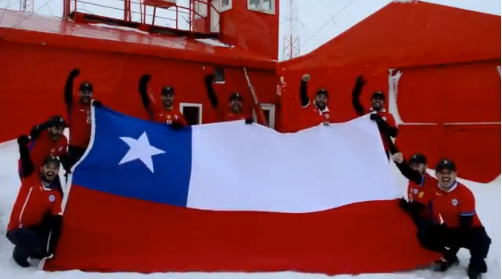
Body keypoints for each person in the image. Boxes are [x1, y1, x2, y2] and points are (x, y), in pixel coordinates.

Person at [418, 159, 491, 279]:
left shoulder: (465, 193)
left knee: (482, 242)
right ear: (436, 175)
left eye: (449, 173)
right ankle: (449, 257)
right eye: (442, 173)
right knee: (424, 234)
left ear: (455, 174)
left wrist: (452, 247)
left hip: (470, 229)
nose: (445, 176)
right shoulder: (433, 189)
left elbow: (465, 226)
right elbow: (414, 178)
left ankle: (475, 264)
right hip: (449, 227)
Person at [6, 135, 63, 268]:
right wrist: (23, 147)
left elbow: (55, 219)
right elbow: (26, 161)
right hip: (17, 229)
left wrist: (51, 248)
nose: (51, 171)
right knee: (33, 240)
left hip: (34, 229)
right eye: (48, 167)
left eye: (54, 168)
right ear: (42, 168)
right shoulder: (31, 179)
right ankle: (18, 254)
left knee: (55, 224)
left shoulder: (55, 193)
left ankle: (39, 250)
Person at [351, 76, 397, 158]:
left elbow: (394, 133)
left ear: (383, 102)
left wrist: (380, 121)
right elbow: (355, 102)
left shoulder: (388, 116)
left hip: (383, 150)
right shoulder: (366, 113)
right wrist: (357, 89)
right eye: (375, 99)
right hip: (368, 149)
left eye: (380, 99)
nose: (377, 101)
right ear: (371, 101)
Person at [391, 152, 437, 229]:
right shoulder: (411, 182)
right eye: (412, 166)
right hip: (419, 221)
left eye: (417, 166)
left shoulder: (429, 181)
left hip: (431, 225)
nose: (414, 168)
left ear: (425, 166)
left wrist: (401, 163)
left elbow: (418, 210)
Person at [64, 68, 95, 168]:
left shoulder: (95, 108)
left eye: (88, 92)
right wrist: (71, 77)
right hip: (74, 149)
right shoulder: (73, 105)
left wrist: (100, 107)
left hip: (90, 149)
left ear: (92, 94)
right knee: (72, 176)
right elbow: (67, 94)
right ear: (79, 93)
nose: (86, 95)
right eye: (83, 92)